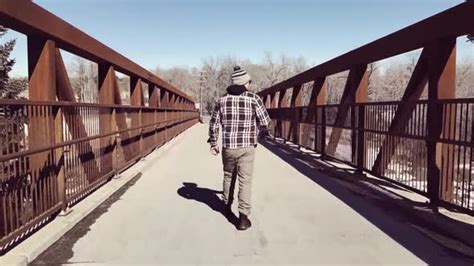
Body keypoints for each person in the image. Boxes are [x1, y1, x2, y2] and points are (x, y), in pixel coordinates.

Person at [208, 66, 271, 231]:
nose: (250, 85)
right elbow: (265, 122)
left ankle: (226, 206)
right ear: (245, 83)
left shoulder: (221, 100)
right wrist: (262, 132)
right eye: (249, 82)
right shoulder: (254, 98)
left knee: (228, 175)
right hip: (247, 147)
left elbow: (213, 123)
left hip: (228, 147)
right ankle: (243, 218)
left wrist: (214, 143)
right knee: (245, 180)